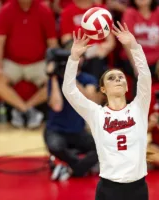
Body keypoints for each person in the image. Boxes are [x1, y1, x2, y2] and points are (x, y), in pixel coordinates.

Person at [63, 23, 151, 199]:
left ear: (127, 87)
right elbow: (69, 90)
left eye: (121, 77)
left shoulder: (139, 107)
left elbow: (145, 76)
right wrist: (73, 58)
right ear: (103, 89)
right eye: (111, 78)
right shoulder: (96, 114)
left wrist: (134, 46)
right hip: (108, 190)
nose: (118, 79)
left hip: (138, 189)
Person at [0, 0, 58, 129]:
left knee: (57, 80)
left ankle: (25, 109)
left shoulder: (44, 10)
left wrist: (53, 64)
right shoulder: (6, 10)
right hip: (13, 63)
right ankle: (27, 110)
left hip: (38, 62)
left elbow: (52, 42)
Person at [44, 49, 98, 181]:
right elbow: (57, 106)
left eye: (79, 57)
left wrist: (71, 78)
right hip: (56, 131)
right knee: (55, 146)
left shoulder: (87, 79)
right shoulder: (55, 80)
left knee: (103, 146)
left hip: (78, 131)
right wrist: (54, 77)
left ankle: (69, 168)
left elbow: (90, 100)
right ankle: (80, 167)